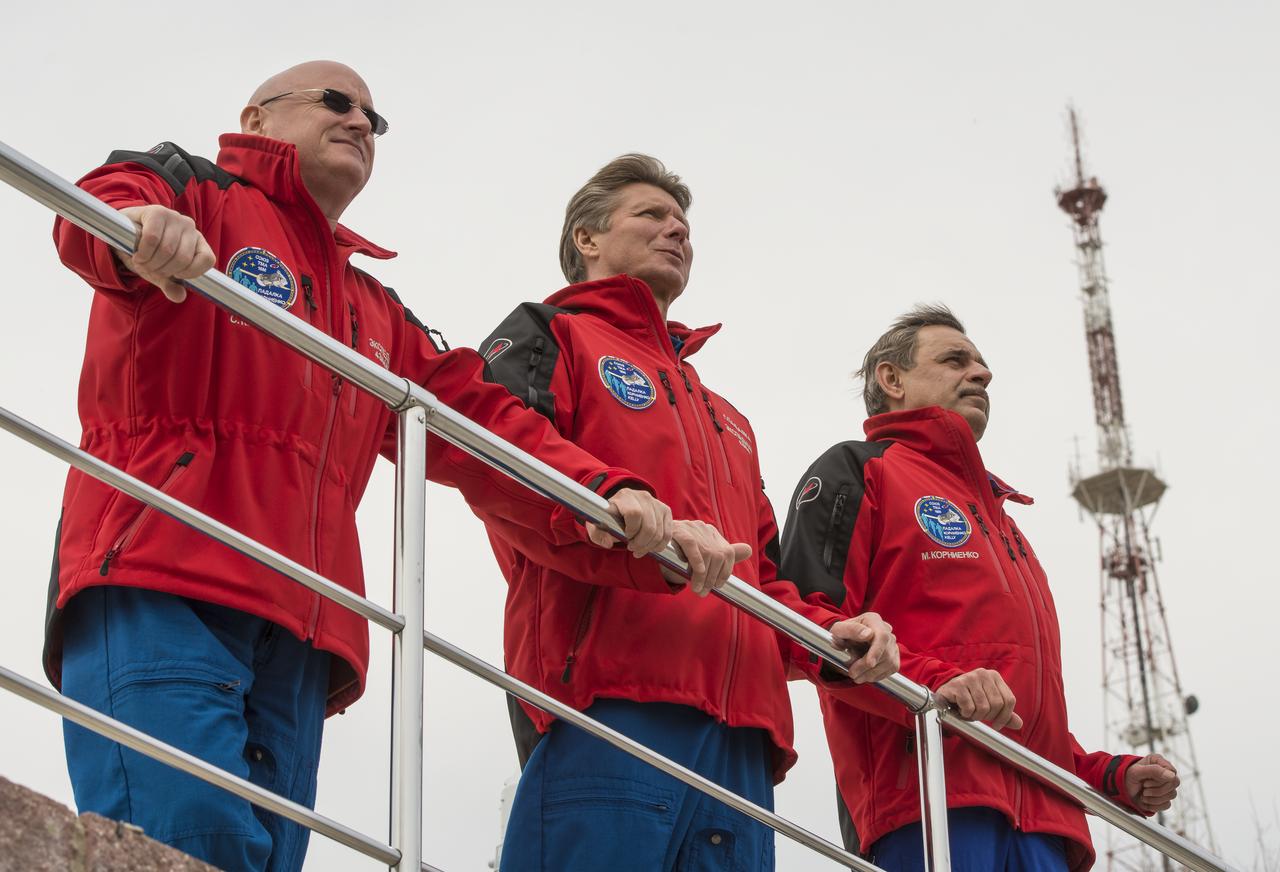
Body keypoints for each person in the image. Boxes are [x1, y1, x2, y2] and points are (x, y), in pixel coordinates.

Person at [45, 63, 726, 872]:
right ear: (256, 119)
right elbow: (92, 209)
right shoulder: (189, 188)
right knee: (182, 839)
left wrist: (607, 489)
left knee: (266, 857)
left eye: (376, 116)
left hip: (304, 623)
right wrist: (142, 228)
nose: (362, 122)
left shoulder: (374, 307)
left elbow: (486, 423)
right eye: (337, 102)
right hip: (160, 570)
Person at [474, 154, 900, 871]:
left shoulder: (724, 414)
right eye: (652, 215)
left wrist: (837, 633)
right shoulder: (552, 335)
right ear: (587, 238)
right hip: (611, 699)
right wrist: (610, 499)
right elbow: (501, 464)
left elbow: (762, 577)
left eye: (684, 224)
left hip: (745, 737)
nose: (677, 232)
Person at [779, 305, 1179, 871]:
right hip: (927, 805)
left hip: (1048, 826)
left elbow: (1018, 719)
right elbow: (800, 627)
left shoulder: (1004, 521)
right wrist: (937, 685)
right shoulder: (859, 469)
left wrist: (1105, 775)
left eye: (983, 364)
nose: (982, 374)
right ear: (890, 380)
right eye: (955, 360)